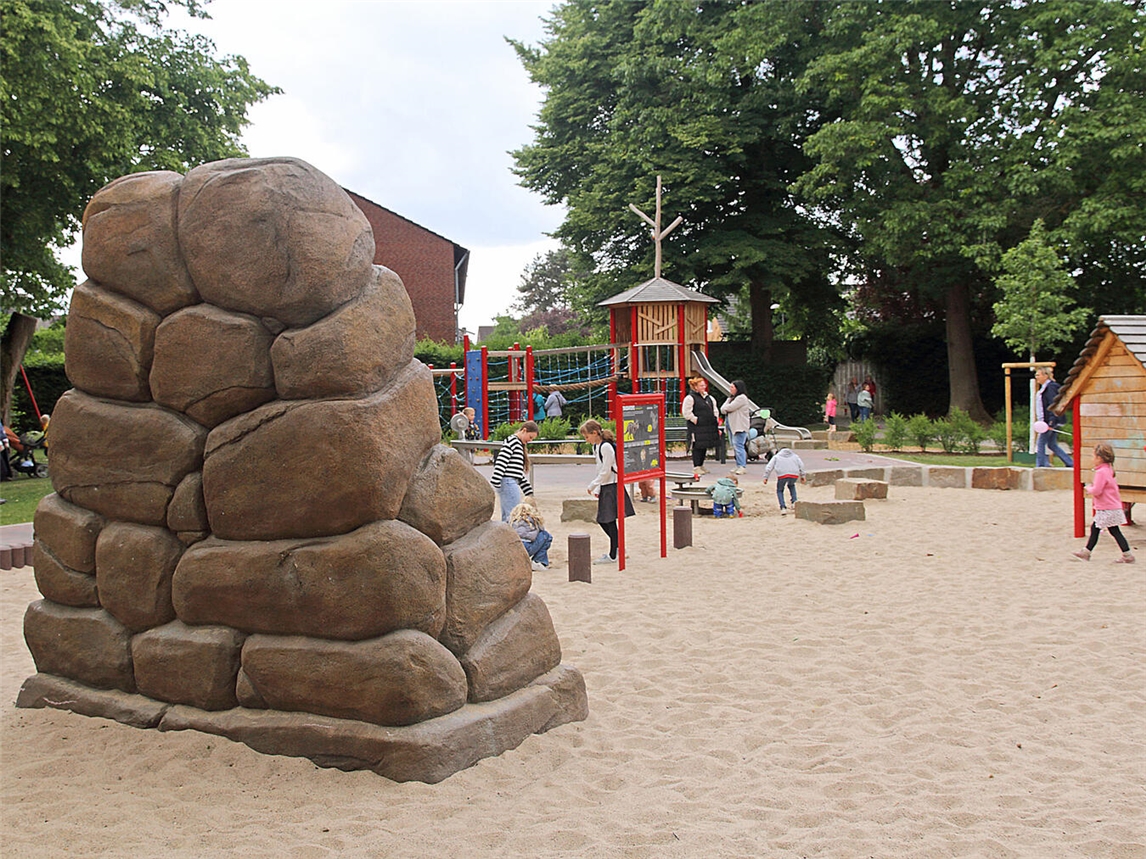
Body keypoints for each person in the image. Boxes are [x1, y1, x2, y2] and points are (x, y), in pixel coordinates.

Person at [580, 419, 635, 565]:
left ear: (595, 433)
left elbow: (606, 470)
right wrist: (598, 487)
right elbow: (601, 469)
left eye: (587, 437)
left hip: (612, 485)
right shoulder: (597, 447)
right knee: (606, 520)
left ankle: (613, 553)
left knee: (607, 520)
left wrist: (593, 485)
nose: (586, 440)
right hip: (606, 485)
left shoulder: (606, 447)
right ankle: (617, 549)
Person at [1072, 443, 1134, 563]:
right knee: (1114, 531)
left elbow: (1097, 490)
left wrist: (1088, 488)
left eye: (1093, 456)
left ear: (1100, 458)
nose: (1092, 459)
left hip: (1107, 507)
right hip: (1112, 506)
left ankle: (1086, 552)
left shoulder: (1101, 472)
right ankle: (1127, 555)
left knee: (1096, 528)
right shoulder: (1109, 469)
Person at [490, 421, 538, 522]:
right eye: (530, 437)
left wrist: (527, 490)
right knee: (512, 514)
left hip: (509, 481)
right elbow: (502, 460)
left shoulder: (517, 443)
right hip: (508, 482)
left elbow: (516, 472)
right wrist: (496, 479)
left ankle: (506, 534)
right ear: (524, 431)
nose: (530, 440)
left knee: (509, 514)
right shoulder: (513, 442)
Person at [1034, 366, 1073, 468]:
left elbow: (1052, 404)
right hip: (1048, 421)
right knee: (1052, 444)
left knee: (1041, 443)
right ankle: (1070, 463)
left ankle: (1041, 464)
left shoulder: (1050, 387)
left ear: (1045, 376)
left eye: (1038, 375)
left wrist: (1051, 421)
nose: (1036, 377)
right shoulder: (1045, 388)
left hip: (1050, 421)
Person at [682, 376, 719, 474]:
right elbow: (686, 412)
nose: (704, 387)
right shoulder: (690, 398)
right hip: (697, 427)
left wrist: (715, 418)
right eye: (701, 385)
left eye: (704, 385)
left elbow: (715, 409)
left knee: (704, 445)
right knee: (697, 446)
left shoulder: (709, 398)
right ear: (695, 387)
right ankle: (696, 466)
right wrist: (695, 420)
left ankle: (701, 465)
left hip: (708, 426)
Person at [509, 501, 553, 571]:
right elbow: (542, 529)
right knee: (546, 535)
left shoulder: (512, 522)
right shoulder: (533, 519)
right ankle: (538, 561)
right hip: (528, 547)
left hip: (517, 547)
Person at [763, 447, 806, 515]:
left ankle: (783, 507)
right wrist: (803, 476)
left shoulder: (776, 457)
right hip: (794, 474)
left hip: (782, 475)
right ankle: (794, 502)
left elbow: (769, 467)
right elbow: (801, 465)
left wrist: (766, 477)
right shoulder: (795, 456)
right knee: (791, 485)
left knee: (780, 490)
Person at [721, 380, 751, 474]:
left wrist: (726, 407)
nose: (730, 389)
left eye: (732, 387)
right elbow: (722, 409)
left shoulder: (741, 398)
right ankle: (738, 465)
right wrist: (727, 404)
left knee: (739, 445)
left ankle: (742, 466)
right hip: (731, 424)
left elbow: (729, 408)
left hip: (739, 425)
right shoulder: (731, 398)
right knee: (734, 445)